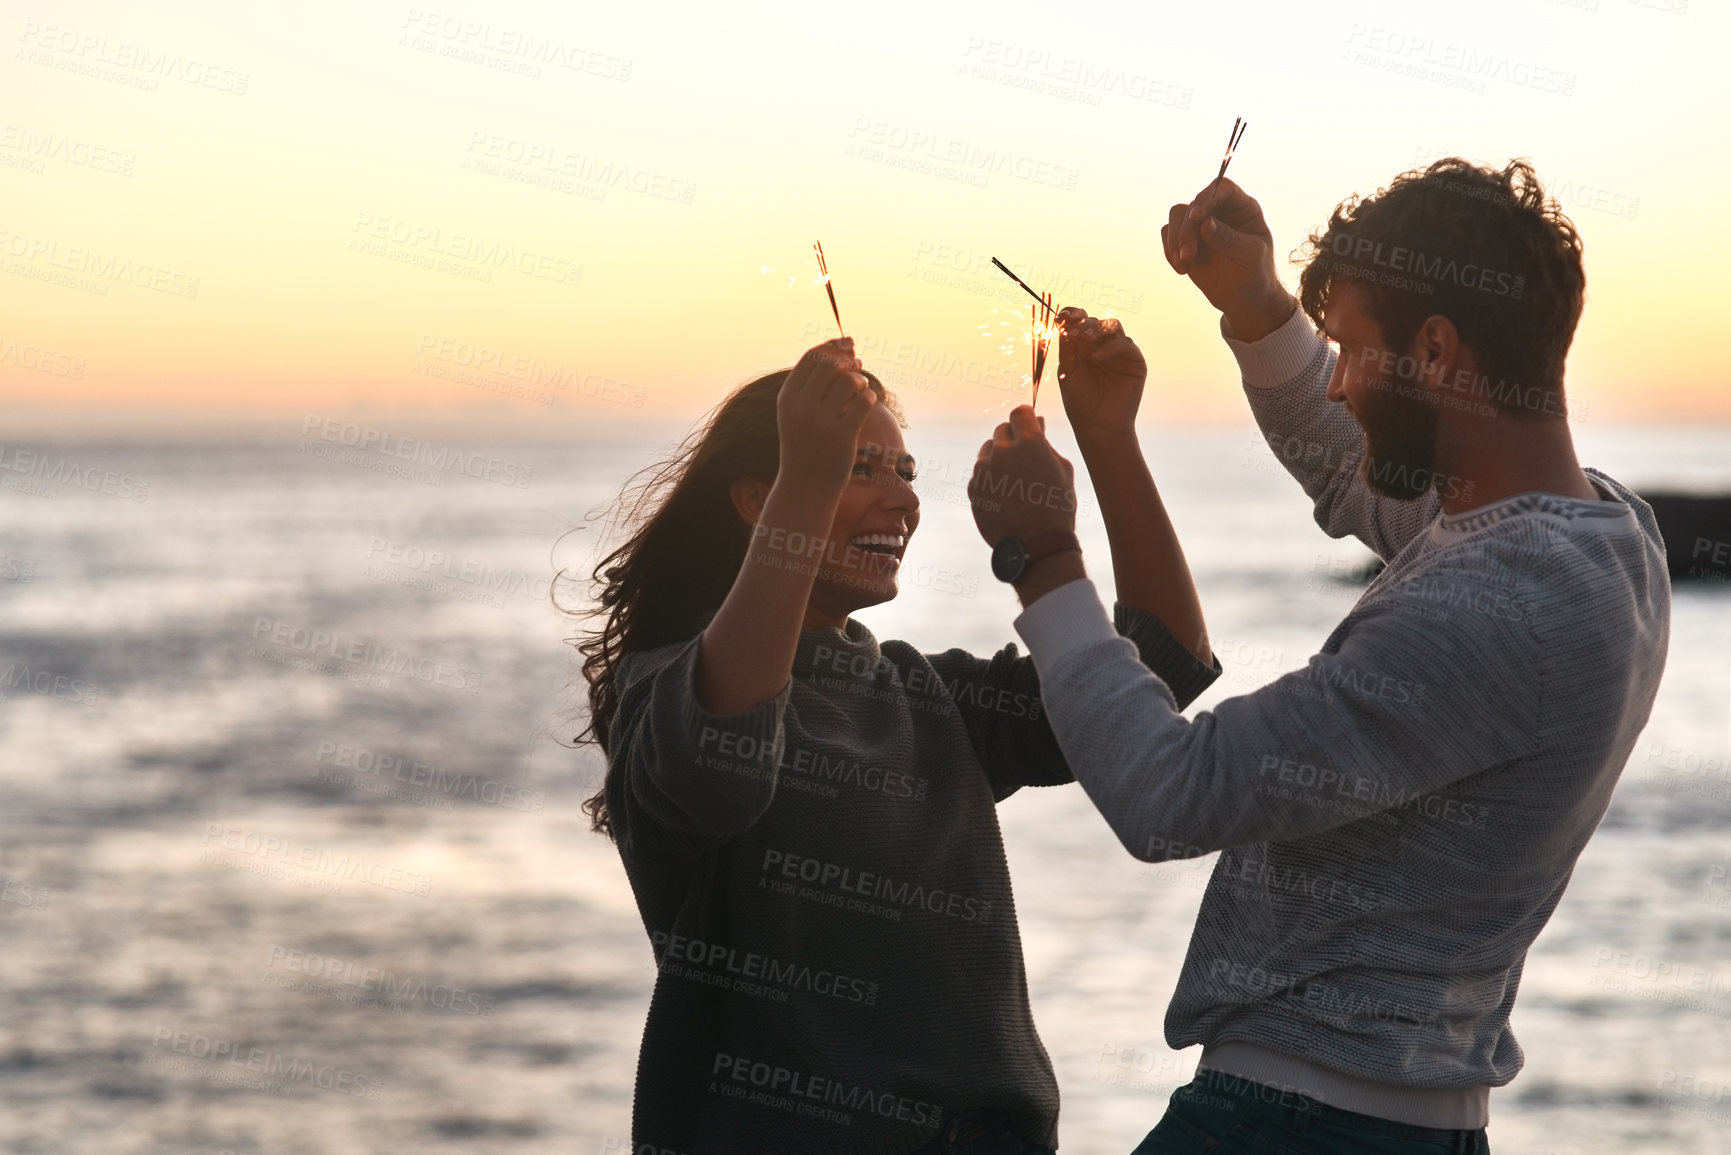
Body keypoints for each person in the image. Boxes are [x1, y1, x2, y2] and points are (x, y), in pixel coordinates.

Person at [965, 158, 1671, 1154]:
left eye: (1350, 350)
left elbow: (1170, 792)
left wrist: (1043, 563)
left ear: (1436, 349)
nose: (1336, 381)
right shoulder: (1603, 536)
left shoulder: (1490, 609)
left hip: (1296, 1126)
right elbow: (1357, 471)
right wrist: (1257, 307)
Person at [577, 322, 1219, 1153]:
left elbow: (1158, 668)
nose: (904, 498)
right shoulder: (664, 691)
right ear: (755, 500)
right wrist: (803, 484)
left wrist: (1109, 441)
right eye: (858, 467)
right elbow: (724, 763)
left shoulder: (929, 694)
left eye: (906, 471)